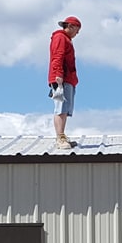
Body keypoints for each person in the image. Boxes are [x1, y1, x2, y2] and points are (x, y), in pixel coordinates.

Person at [48, 15, 82, 148]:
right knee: (61, 107)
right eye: (77, 30)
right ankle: (60, 137)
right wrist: (58, 74)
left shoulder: (66, 39)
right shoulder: (60, 38)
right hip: (62, 78)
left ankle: (62, 135)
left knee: (65, 108)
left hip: (68, 78)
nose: (77, 33)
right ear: (70, 26)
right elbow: (58, 56)